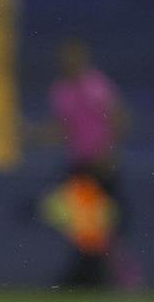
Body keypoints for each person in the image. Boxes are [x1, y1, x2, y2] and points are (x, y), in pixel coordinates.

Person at [39, 38, 136, 288]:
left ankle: (110, 276)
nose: (69, 63)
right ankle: (96, 276)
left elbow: (119, 118)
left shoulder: (96, 85)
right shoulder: (61, 91)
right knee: (85, 224)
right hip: (80, 165)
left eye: (74, 58)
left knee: (101, 225)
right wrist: (36, 135)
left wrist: (110, 151)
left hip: (102, 165)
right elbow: (65, 129)